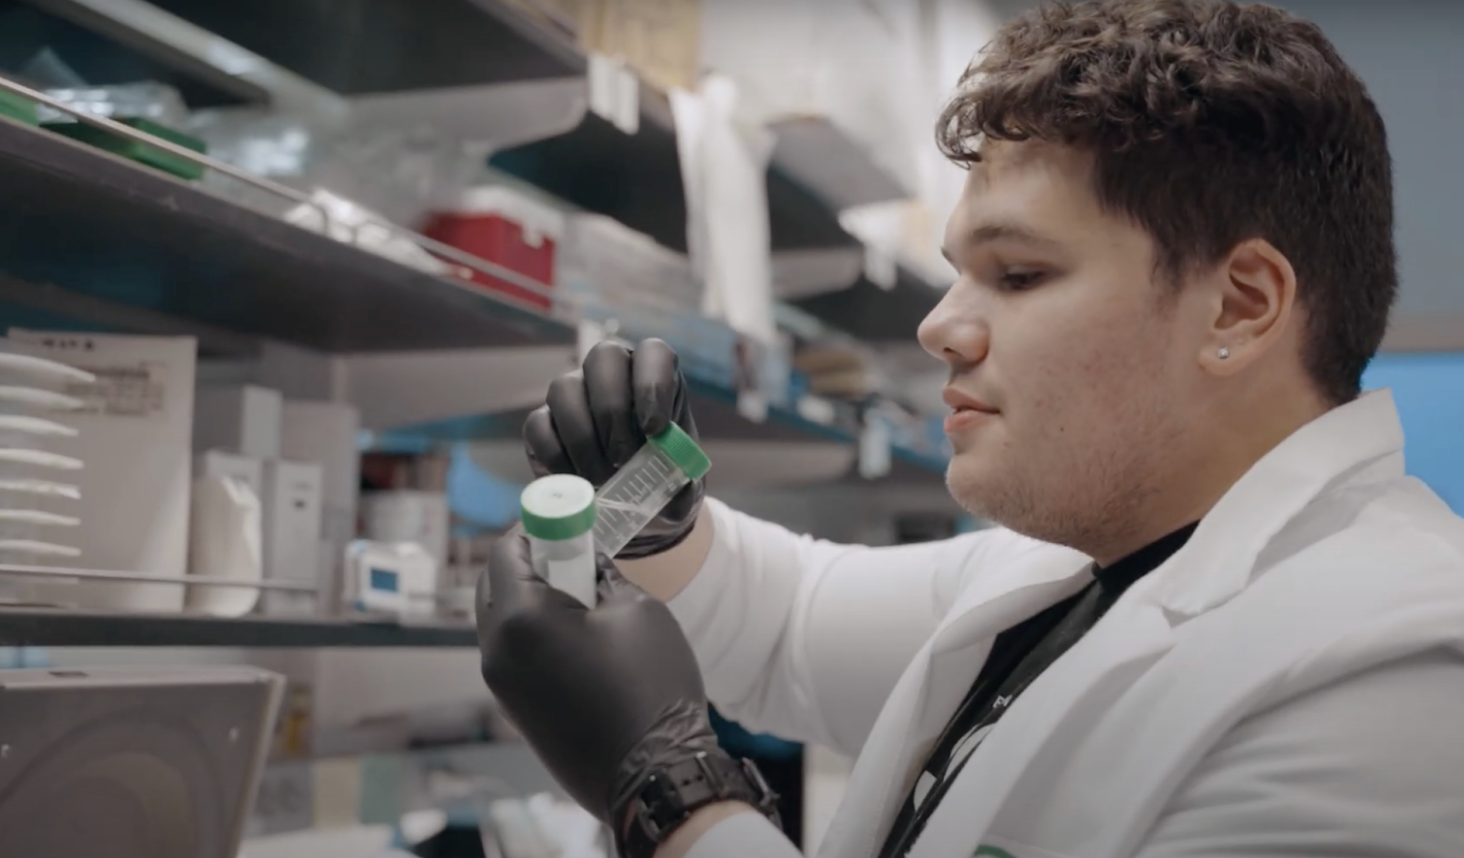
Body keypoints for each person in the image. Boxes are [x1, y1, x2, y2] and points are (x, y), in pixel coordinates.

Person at [476, 1, 1464, 856]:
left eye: (1020, 274)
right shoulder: (1061, 567)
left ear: (1239, 306)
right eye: (956, 271)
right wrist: (665, 534)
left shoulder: (1401, 674)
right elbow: (787, 628)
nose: (938, 325)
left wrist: (672, 799)